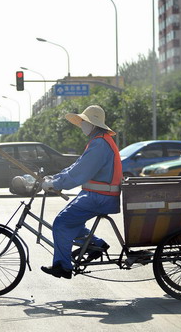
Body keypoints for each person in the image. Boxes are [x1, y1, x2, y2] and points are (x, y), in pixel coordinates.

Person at [40, 105, 122, 279]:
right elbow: (75, 166)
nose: (82, 124)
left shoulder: (100, 144)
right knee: (72, 223)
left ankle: (63, 266)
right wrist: (55, 178)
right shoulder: (98, 141)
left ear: (93, 124)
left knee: (62, 223)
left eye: (84, 121)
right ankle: (97, 244)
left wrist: (56, 183)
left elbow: (79, 173)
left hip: (100, 197)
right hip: (96, 195)